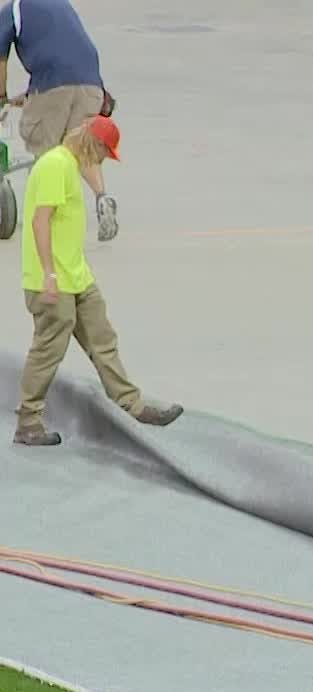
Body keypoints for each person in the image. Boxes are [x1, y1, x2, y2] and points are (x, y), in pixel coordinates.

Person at [12, 115, 178, 446]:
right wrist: (48, 273)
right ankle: (28, 422)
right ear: (94, 145)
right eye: (104, 154)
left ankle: (130, 403)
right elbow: (39, 222)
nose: (102, 161)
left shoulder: (69, 164)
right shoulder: (54, 166)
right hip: (53, 278)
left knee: (102, 336)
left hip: (76, 275)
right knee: (48, 349)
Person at [0, 0, 118, 241]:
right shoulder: (60, 4)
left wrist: (1, 97)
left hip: (54, 84)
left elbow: (0, 61)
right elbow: (65, 56)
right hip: (91, 84)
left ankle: (50, 212)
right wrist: (33, 95)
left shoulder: (13, 10)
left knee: (45, 148)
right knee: (81, 146)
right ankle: (102, 197)